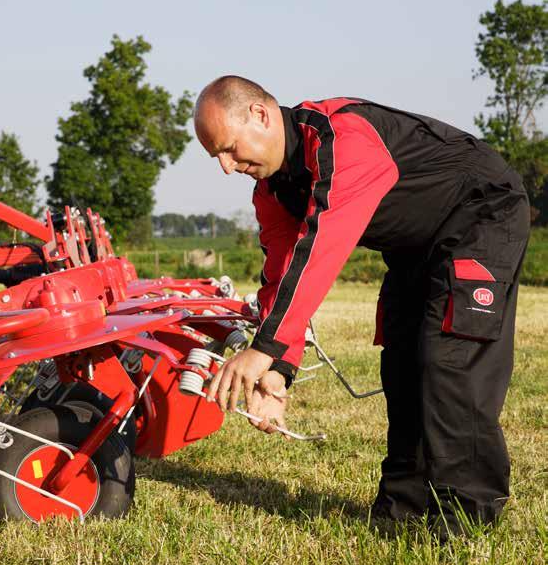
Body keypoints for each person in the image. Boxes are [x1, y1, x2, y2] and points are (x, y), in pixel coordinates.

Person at [193, 75, 530, 535]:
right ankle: (402, 510)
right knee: (402, 363)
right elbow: (281, 276)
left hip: (481, 213)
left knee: (448, 360)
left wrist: (263, 347)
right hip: (416, 245)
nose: (227, 168)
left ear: (260, 114)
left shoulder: (341, 139)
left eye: (229, 149)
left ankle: (468, 521)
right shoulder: (272, 192)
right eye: (217, 158)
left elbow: (320, 250)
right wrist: (279, 371)